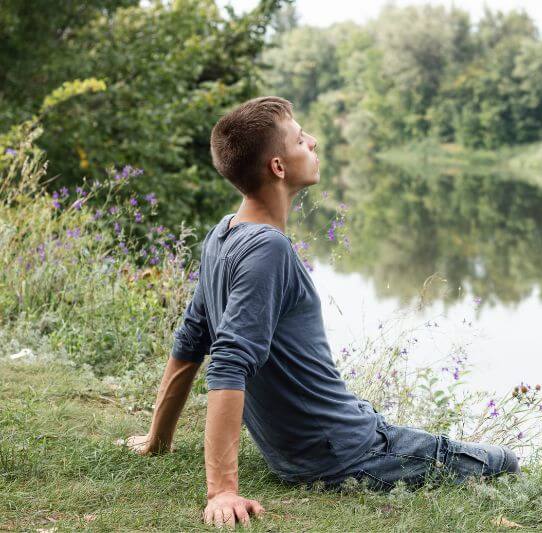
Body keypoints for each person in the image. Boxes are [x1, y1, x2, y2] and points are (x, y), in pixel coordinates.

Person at [122, 96, 520, 529]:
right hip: (343, 454)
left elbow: (190, 341)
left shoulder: (222, 236)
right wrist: (222, 490)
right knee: (503, 461)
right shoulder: (268, 248)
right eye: (299, 139)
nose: (312, 142)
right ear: (278, 167)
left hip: (313, 447)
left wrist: (158, 439)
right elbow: (228, 362)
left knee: (380, 422)